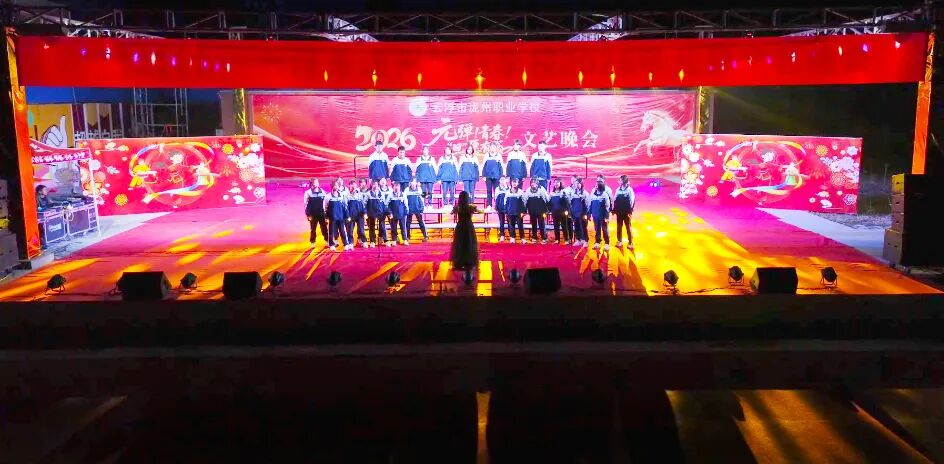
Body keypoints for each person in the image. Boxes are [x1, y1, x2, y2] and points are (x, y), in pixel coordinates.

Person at [450, 190, 479, 271]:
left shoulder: (457, 207)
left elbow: (451, 212)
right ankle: (469, 262)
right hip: (468, 227)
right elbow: (480, 211)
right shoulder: (470, 207)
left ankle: (459, 262)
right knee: (469, 244)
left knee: (460, 244)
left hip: (460, 226)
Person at [588, 177, 613, 251]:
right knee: (597, 228)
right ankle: (597, 242)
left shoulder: (605, 195)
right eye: (595, 185)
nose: (595, 186)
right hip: (595, 216)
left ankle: (607, 243)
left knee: (604, 229)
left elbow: (607, 206)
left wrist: (607, 216)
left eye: (597, 185)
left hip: (603, 216)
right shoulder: (593, 195)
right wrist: (589, 213)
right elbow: (590, 204)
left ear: (600, 186)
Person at [303, 179, 328, 248]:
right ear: (311, 184)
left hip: (321, 214)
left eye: (316, 183)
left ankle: (327, 240)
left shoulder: (322, 191)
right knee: (313, 229)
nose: (315, 184)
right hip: (312, 214)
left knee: (324, 228)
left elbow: (326, 202)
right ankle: (312, 242)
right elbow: (305, 204)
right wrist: (308, 214)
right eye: (314, 183)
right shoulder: (308, 193)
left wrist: (326, 213)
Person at [613, 175, 636, 249]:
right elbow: (615, 199)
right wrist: (614, 209)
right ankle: (619, 241)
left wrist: (630, 210)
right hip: (619, 212)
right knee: (619, 227)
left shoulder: (629, 190)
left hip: (626, 213)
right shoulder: (618, 189)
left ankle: (630, 242)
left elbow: (632, 201)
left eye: (620, 180)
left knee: (628, 227)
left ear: (624, 181)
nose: (619, 181)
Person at [524, 179, 550, 244]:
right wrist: (525, 210)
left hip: (541, 210)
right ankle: (534, 237)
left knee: (542, 224)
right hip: (532, 210)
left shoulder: (541, 189)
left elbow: (547, 198)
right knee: (533, 224)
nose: (533, 184)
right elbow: (525, 200)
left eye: (535, 183)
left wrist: (548, 208)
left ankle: (544, 238)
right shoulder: (528, 190)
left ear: (537, 183)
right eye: (532, 182)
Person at [326, 184, 351, 251]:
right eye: (335, 186)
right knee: (331, 232)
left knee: (343, 231)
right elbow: (325, 207)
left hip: (341, 217)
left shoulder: (342, 196)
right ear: (332, 186)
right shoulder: (328, 196)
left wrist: (347, 215)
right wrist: (326, 217)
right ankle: (331, 245)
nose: (336, 187)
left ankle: (346, 244)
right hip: (332, 218)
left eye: (337, 186)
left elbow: (345, 206)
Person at [405, 178, 429, 243]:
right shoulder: (407, 190)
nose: (413, 183)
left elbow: (422, 200)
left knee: (421, 222)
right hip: (409, 209)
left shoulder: (419, 189)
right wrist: (406, 209)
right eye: (412, 182)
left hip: (417, 209)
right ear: (410, 183)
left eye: (414, 182)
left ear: (416, 183)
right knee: (407, 223)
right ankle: (407, 237)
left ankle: (425, 236)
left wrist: (422, 209)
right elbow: (405, 199)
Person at [482, 141, 504, 211]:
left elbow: (501, 167)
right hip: (488, 176)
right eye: (491, 147)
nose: (492, 148)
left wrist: (501, 176)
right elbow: (484, 166)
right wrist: (483, 175)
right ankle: (489, 205)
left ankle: (496, 205)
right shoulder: (486, 155)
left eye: (494, 147)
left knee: (496, 191)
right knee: (489, 191)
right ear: (489, 148)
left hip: (496, 177)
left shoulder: (498, 156)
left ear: (496, 148)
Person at [365, 181, 389, 247]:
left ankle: (385, 240)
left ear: (378, 186)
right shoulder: (368, 194)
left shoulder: (381, 194)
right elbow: (364, 204)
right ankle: (372, 241)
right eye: (374, 184)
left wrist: (387, 212)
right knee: (371, 227)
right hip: (371, 213)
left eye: (376, 185)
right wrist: (365, 213)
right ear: (371, 185)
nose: (375, 186)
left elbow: (384, 204)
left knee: (382, 227)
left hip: (380, 213)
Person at [346, 179, 368, 248]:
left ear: (356, 186)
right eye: (351, 185)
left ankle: (364, 241)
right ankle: (350, 242)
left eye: (354, 185)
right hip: (351, 216)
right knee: (350, 230)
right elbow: (345, 207)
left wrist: (365, 213)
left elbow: (363, 205)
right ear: (349, 186)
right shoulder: (347, 195)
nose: (353, 186)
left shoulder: (360, 194)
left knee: (361, 230)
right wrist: (347, 215)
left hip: (359, 215)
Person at [549, 178, 571, 245]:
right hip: (555, 212)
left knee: (564, 226)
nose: (556, 184)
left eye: (557, 182)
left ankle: (566, 239)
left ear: (560, 183)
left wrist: (568, 211)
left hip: (562, 212)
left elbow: (567, 202)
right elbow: (550, 202)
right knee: (556, 226)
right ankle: (557, 239)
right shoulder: (552, 193)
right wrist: (550, 210)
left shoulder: (564, 191)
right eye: (555, 182)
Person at [505, 178, 526, 244]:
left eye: (515, 182)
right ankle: (513, 237)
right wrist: (506, 211)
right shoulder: (507, 192)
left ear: (518, 183)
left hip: (518, 212)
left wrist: (523, 211)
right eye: (513, 182)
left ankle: (522, 238)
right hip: (510, 212)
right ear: (511, 183)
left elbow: (524, 202)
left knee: (520, 225)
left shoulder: (521, 192)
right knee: (511, 225)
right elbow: (505, 202)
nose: (514, 183)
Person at [568, 179, 589, 247]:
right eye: (576, 183)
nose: (577, 185)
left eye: (578, 183)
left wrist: (586, 213)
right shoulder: (572, 193)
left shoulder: (585, 193)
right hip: (575, 213)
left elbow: (588, 203)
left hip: (582, 213)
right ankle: (578, 239)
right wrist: (571, 212)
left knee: (583, 227)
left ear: (581, 184)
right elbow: (570, 203)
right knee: (576, 226)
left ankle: (585, 240)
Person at [494, 176, 510, 243]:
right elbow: (496, 198)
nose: (503, 181)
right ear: (499, 181)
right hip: (500, 208)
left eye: (504, 180)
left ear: (506, 181)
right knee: (501, 222)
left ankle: (511, 234)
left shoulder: (509, 188)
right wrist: (496, 207)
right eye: (501, 180)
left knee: (509, 221)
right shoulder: (497, 189)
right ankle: (502, 235)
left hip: (508, 208)